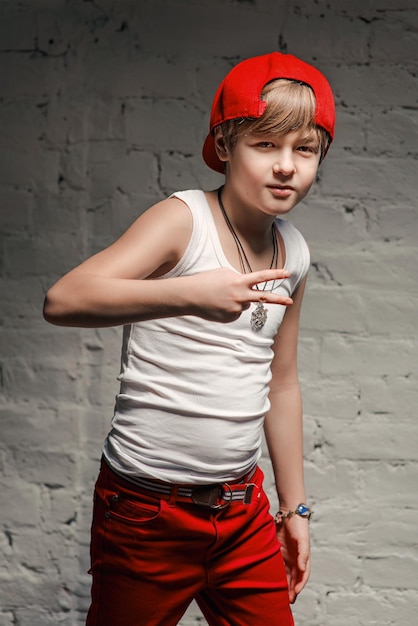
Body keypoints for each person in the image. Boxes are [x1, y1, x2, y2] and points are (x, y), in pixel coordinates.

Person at [43, 51, 335, 626]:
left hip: (241, 512)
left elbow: (282, 382)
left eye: (304, 149)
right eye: (265, 145)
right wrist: (190, 293)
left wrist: (294, 507)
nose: (286, 166)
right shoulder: (184, 219)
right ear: (225, 147)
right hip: (145, 514)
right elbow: (64, 299)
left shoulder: (294, 251)